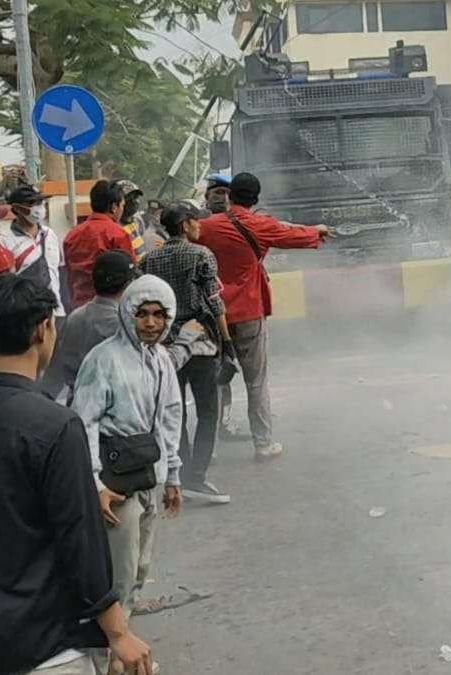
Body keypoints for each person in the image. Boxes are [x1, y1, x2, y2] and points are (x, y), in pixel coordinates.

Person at [0, 275, 154, 675]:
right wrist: (117, 632)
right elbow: (80, 537)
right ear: (44, 328)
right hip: (48, 641)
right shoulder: (56, 425)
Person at [194, 172, 330, 460]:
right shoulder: (260, 225)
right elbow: (291, 236)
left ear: (230, 196)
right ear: (256, 198)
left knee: (215, 379)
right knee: (255, 381)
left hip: (213, 313)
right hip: (249, 310)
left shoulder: (205, 227)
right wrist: (317, 232)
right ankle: (263, 443)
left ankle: (210, 448)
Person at [70, 274, 184, 612]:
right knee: (118, 573)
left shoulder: (161, 358)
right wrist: (95, 484)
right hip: (116, 484)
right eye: (142, 313)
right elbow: (84, 422)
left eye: (159, 315)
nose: (151, 323)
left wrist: (173, 475)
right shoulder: (103, 359)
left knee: (140, 566)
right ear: (127, 314)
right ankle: (112, 654)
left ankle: (123, 642)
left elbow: (170, 418)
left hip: (150, 475)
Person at [140, 202, 233, 504]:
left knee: (173, 412)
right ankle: (197, 475)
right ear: (184, 225)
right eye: (195, 221)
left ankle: (178, 473)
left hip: (165, 345)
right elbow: (215, 302)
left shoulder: (149, 260)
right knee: (208, 411)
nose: (200, 226)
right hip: (201, 343)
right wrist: (227, 342)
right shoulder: (201, 255)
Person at [42, 251, 134, 402]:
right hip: (113, 406)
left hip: (76, 401)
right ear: (129, 284)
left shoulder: (75, 317)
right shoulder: (122, 325)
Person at [0, 184, 66, 323]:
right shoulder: (4, 240)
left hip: (56, 311)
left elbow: (59, 270)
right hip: (25, 315)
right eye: (31, 203)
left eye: (40, 202)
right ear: (17, 208)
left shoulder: (49, 234)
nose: (38, 207)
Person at [63, 180, 134, 308]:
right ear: (114, 207)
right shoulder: (117, 234)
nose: (122, 209)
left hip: (77, 305)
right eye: (122, 205)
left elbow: (68, 274)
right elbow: (129, 272)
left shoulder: (72, 234)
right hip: (109, 306)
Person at [116, 180, 146, 257]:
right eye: (130, 198)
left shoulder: (136, 221)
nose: (135, 201)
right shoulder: (115, 228)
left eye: (136, 197)